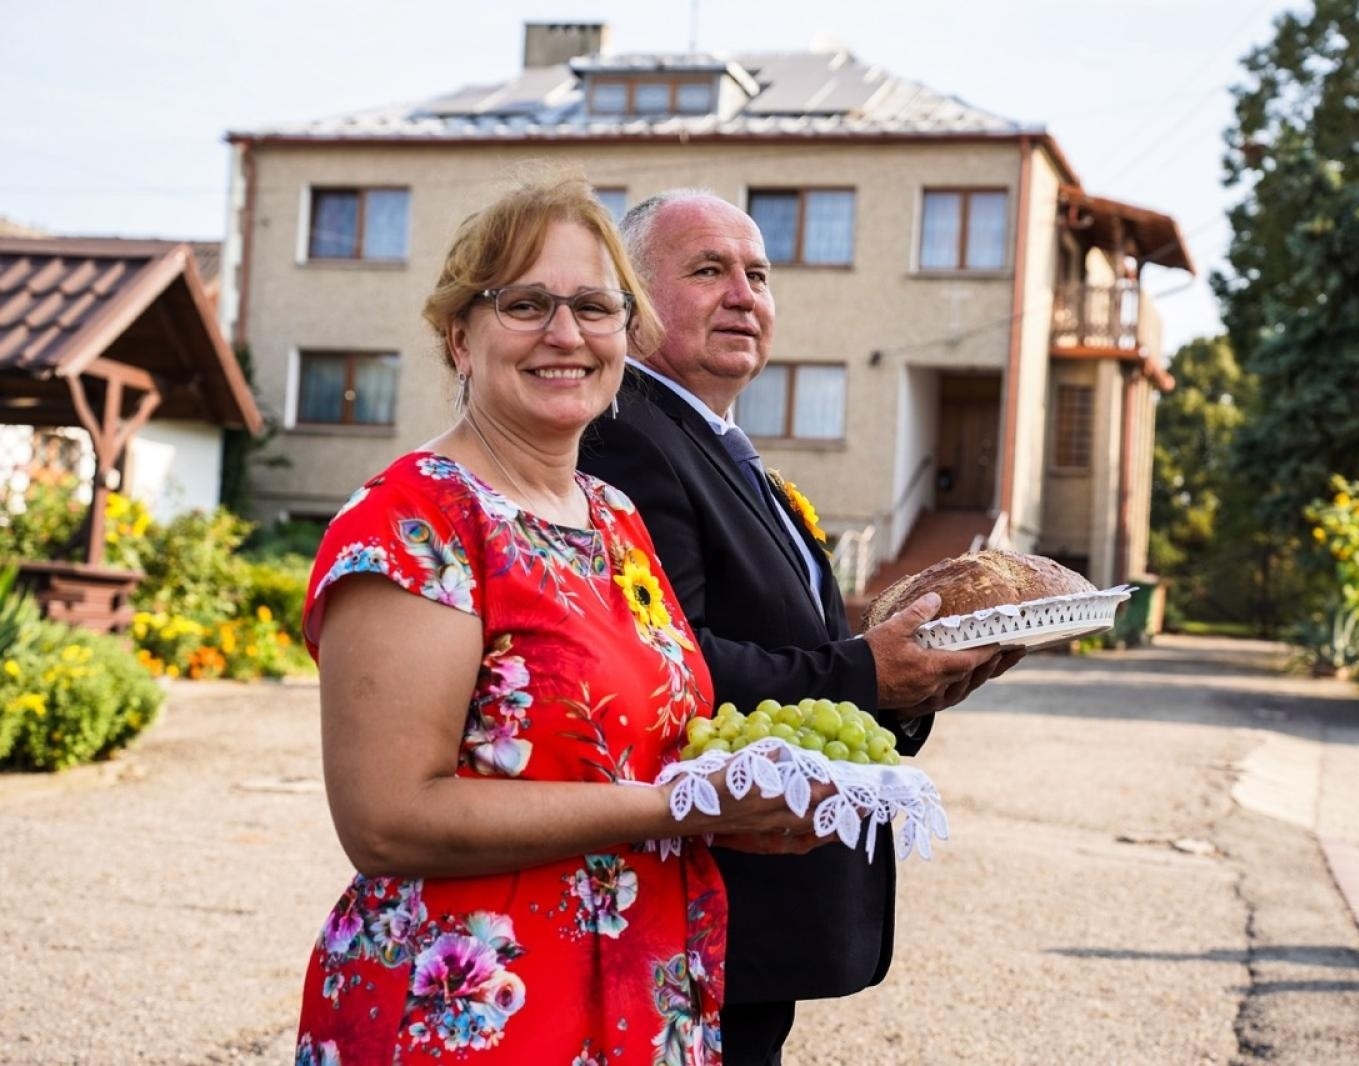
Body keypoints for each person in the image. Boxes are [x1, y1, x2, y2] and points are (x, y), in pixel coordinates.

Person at [294, 177, 829, 1066]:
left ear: (628, 333)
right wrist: (677, 806)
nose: (567, 334)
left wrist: (740, 800)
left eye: (594, 306)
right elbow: (386, 818)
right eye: (527, 303)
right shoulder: (417, 520)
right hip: (472, 1012)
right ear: (458, 336)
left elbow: (632, 744)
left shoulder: (613, 516)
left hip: (642, 995)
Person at [579, 190, 1018, 1064]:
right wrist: (862, 674)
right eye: (708, 270)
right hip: (697, 905)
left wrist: (914, 682)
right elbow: (666, 660)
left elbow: (801, 647)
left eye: (758, 274)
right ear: (632, 300)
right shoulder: (628, 434)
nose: (744, 294)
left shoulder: (730, 454)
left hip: (759, 917)